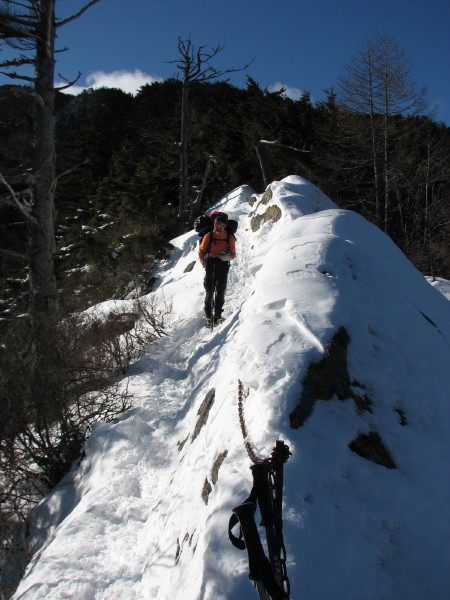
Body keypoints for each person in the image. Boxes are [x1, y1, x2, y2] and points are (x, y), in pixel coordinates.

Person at [198, 214, 236, 324]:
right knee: (209, 291)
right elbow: (201, 251)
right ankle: (208, 316)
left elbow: (233, 254)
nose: (221, 226)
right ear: (215, 223)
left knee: (220, 291)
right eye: (219, 223)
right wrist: (203, 261)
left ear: (226, 225)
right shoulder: (209, 236)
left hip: (223, 265)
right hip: (210, 264)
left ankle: (218, 315)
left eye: (223, 224)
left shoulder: (230, 237)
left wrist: (227, 257)